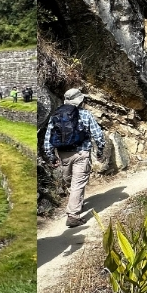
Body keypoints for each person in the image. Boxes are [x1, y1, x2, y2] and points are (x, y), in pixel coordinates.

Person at [42, 88, 106, 228]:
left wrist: (51, 156)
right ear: (80, 101)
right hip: (81, 153)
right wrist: (100, 150)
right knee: (77, 183)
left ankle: (75, 205)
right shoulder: (85, 115)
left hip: (63, 155)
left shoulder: (56, 115)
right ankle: (73, 216)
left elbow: (48, 139)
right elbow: (98, 135)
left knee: (71, 182)